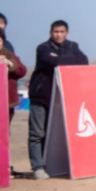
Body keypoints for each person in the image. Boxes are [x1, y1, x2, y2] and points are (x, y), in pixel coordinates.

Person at [28, 20, 88, 180]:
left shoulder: (73, 46)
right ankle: (37, 167)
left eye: (62, 32)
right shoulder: (43, 48)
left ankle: (51, 164)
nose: (59, 35)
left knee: (54, 134)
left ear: (67, 33)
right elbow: (51, 61)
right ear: (50, 32)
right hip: (41, 96)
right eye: (56, 32)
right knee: (37, 133)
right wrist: (65, 59)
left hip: (61, 98)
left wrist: (60, 57)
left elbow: (83, 61)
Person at [0, 27, 26, 123]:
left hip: (6, 101)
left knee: (3, 131)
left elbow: (22, 71)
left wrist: (10, 63)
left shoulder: (9, 54)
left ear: (3, 42)